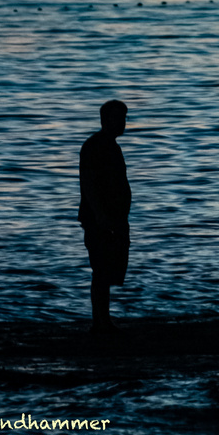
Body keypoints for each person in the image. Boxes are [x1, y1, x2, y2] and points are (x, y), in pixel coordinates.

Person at [78, 99, 131, 332]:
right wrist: (100, 214)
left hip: (113, 218)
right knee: (101, 269)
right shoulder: (95, 146)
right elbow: (88, 184)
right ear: (105, 120)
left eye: (124, 118)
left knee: (108, 268)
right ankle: (99, 322)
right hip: (100, 218)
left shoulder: (111, 146)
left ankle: (103, 320)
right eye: (118, 118)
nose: (123, 123)